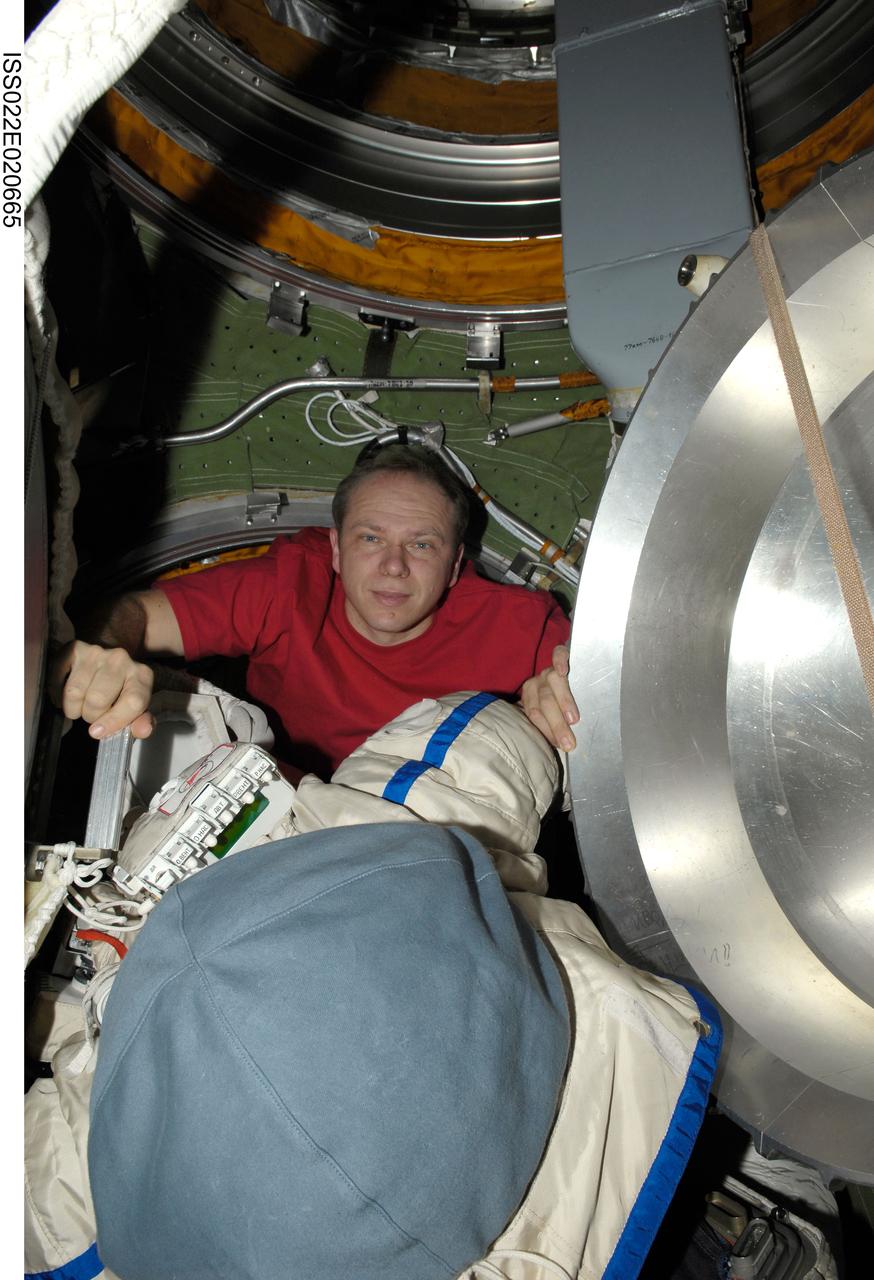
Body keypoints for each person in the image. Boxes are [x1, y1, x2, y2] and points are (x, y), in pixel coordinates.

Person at [51, 443, 580, 776]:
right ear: (335, 549)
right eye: (371, 538)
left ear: (456, 562)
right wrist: (103, 651)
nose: (393, 566)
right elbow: (135, 615)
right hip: (279, 807)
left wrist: (561, 697)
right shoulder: (289, 585)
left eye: (422, 545)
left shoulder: (520, 625)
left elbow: (605, 698)